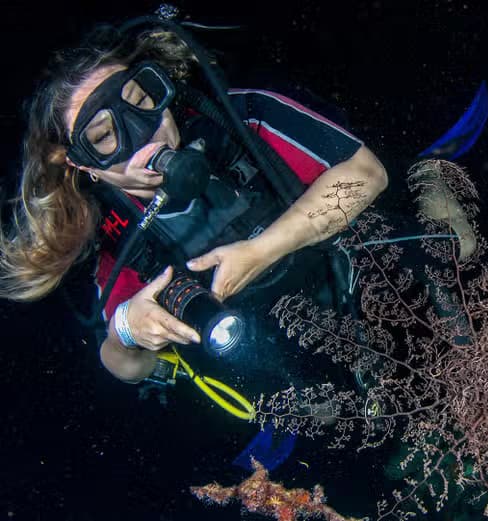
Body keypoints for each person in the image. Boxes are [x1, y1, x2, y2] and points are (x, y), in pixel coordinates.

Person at [0, 24, 388, 385]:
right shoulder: (119, 234)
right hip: (300, 370)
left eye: (141, 99)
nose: (144, 133)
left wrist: (261, 251)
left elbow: (367, 174)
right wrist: (127, 330)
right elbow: (126, 365)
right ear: (84, 165)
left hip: (377, 285)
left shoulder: (241, 119)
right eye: (104, 136)